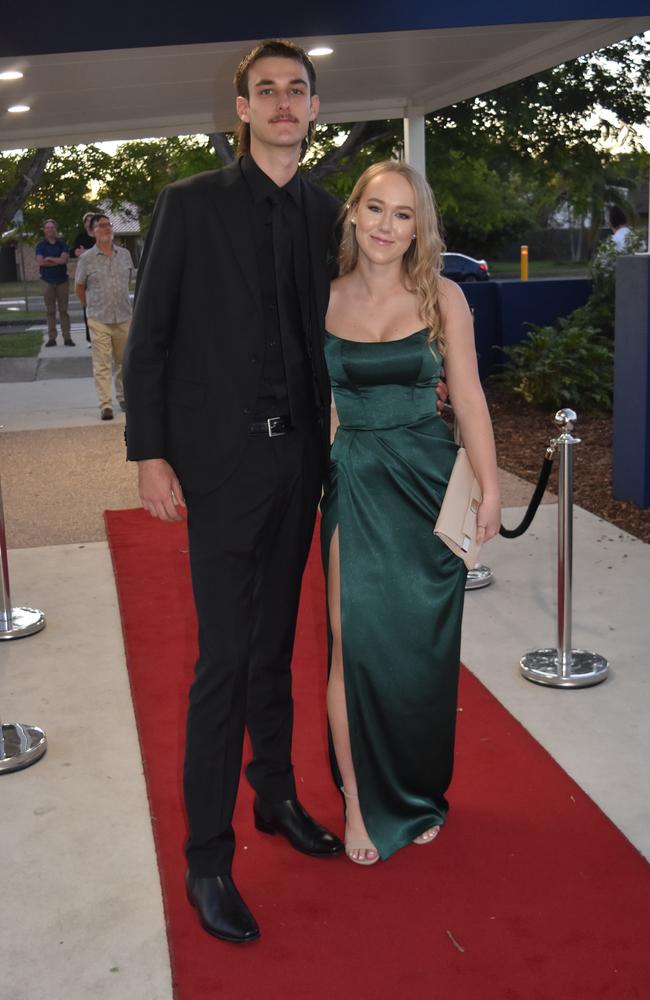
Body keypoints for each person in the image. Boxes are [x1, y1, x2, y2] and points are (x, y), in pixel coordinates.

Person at [122, 39, 346, 945]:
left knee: (276, 644)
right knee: (223, 658)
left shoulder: (329, 214)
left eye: (298, 90)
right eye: (268, 91)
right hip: (221, 469)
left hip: (301, 467)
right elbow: (152, 341)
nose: (285, 104)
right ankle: (206, 860)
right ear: (242, 109)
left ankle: (276, 798)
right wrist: (151, 454)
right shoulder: (188, 206)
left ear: (314, 108)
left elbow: (358, 324)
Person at [320, 161, 501, 866]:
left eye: (402, 214)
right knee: (352, 643)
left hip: (429, 484)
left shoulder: (443, 297)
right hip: (357, 482)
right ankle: (361, 804)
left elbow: (472, 398)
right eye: (374, 208)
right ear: (353, 214)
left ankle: (418, 793)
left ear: (418, 227)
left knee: (421, 654)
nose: (386, 226)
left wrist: (488, 487)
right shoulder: (321, 298)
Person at [75, 213, 133, 421]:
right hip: (99, 318)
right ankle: (105, 405)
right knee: (102, 363)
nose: (106, 228)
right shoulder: (86, 259)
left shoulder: (125, 254)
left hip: (123, 317)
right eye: (101, 226)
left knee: (123, 361)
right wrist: (89, 306)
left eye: (108, 225)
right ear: (92, 232)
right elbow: (79, 287)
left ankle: (123, 397)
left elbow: (128, 280)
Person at [35, 219, 75, 347]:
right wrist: (57, 260)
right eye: (47, 228)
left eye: (52, 227)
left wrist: (50, 259)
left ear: (55, 229)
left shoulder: (62, 244)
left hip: (62, 280)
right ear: (44, 230)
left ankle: (67, 337)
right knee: (50, 311)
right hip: (47, 281)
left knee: (64, 310)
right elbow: (40, 262)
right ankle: (52, 338)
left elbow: (64, 260)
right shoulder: (40, 245)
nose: (50, 230)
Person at [70, 211, 97, 344]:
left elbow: (102, 251)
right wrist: (80, 252)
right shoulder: (80, 237)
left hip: (99, 274)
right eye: (87, 221)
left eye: (92, 220)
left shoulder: (100, 235)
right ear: (84, 223)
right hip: (85, 274)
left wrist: (86, 252)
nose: (90, 223)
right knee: (87, 305)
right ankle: (90, 337)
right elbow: (74, 251)